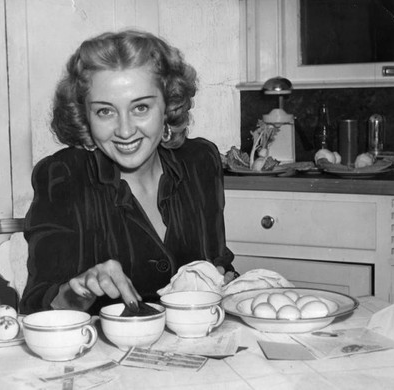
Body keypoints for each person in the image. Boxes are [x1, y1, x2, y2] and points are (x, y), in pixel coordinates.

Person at [20, 29, 237, 315]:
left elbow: (219, 264)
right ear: (85, 115)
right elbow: (35, 304)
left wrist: (227, 282)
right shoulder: (64, 176)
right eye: (105, 112)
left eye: (141, 107)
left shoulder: (200, 162)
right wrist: (80, 289)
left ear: (168, 106)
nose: (124, 130)